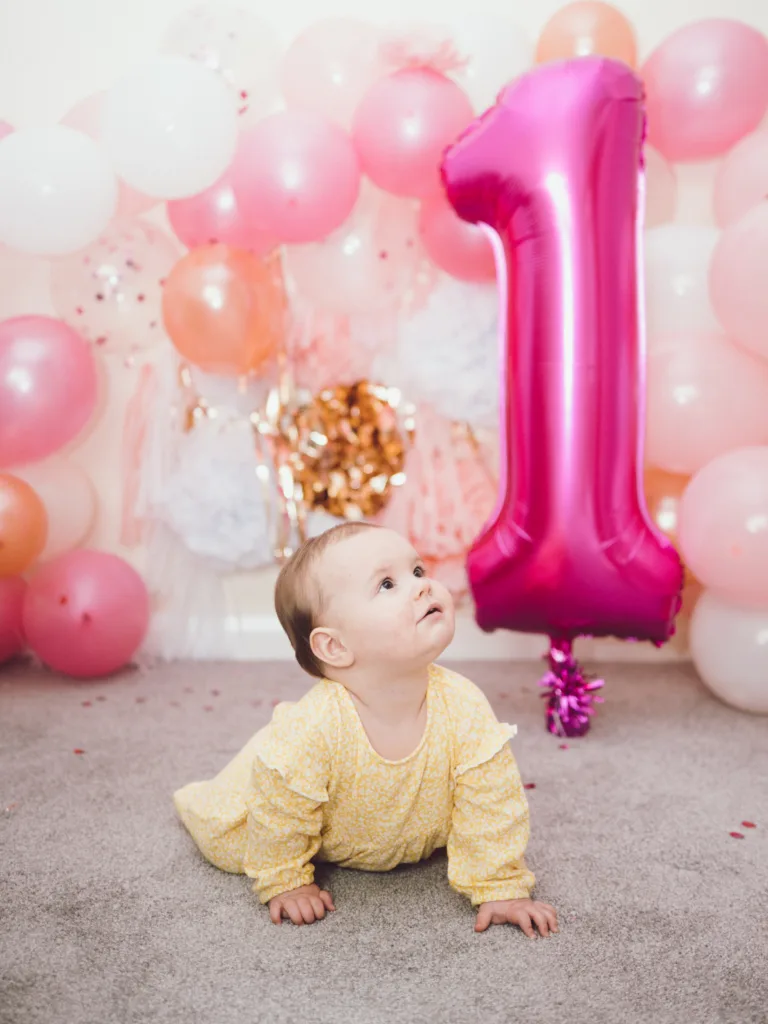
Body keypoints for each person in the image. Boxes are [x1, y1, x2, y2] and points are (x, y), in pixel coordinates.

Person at [173, 522, 559, 938]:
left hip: (398, 821)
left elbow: (493, 801)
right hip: (278, 792)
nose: (423, 587)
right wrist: (287, 881)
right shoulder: (315, 729)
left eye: (417, 571)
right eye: (387, 584)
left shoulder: (464, 704)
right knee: (230, 836)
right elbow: (280, 813)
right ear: (335, 647)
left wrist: (500, 886)